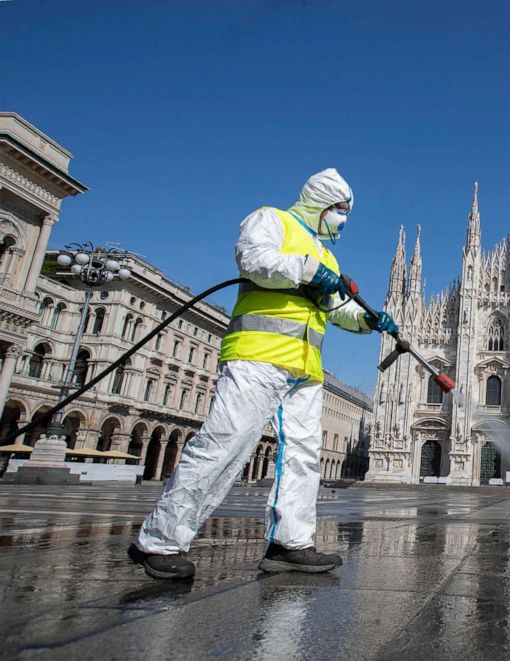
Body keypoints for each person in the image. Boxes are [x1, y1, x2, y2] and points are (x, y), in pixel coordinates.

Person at [128, 169, 397, 580]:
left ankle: (291, 543)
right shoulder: (272, 220)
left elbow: (334, 307)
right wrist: (306, 269)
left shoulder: (325, 254)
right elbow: (254, 261)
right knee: (225, 445)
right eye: (340, 210)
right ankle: (160, 541)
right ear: (322, 204)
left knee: (303, 459)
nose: (343, 219)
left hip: (305, 370)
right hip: (257, 356)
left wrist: (367, 321)